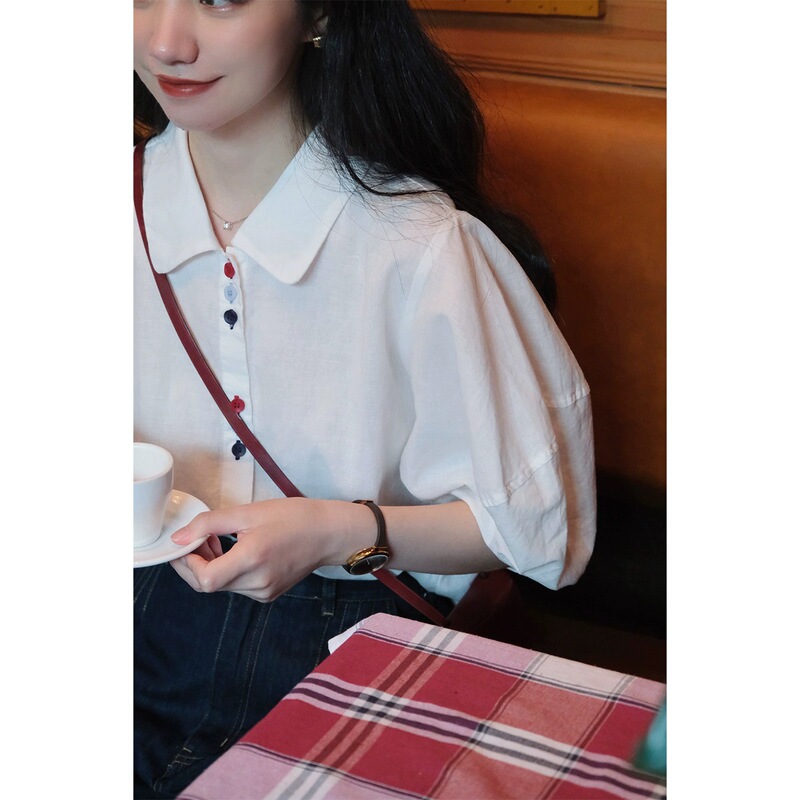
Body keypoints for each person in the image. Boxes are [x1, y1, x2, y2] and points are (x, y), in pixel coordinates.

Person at [133, 1, 596, 797]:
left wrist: (340, 536)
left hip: (339, 639)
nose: (167, 42)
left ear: (317, 12)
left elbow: (525, 532)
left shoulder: (418, 243)